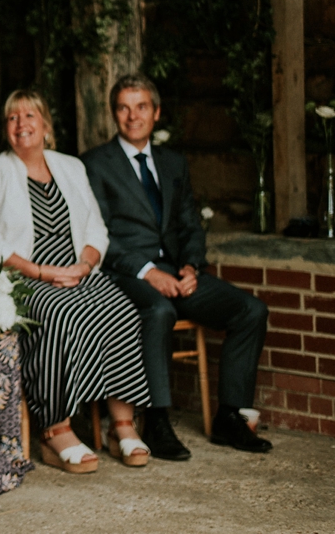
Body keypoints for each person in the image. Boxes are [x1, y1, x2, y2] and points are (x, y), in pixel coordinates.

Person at [83, 74, 271, 458]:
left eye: (141, 107)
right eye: (123, 107)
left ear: (156, 112)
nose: (132, 116)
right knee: (158, 309)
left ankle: (230, 417)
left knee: (250, 310)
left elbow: (190, 224)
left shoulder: (173, 163)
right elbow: (98, 234)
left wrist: (190, 266)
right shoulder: (95, 163)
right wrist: (149, 272)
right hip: (126, 274)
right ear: (113, 114)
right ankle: (157, 420)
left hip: (176, 272)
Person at [0, 89, 151, 475]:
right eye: (12, 118)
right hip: (28, 278)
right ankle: (55, 430)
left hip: (79, 270)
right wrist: (42, 272)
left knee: (121, 311)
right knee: (59, 314)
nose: (21, 124)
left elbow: (96, 227)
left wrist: (84, 265)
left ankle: (120, 425)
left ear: (46, 125)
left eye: (30, 116)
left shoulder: (71, 167)